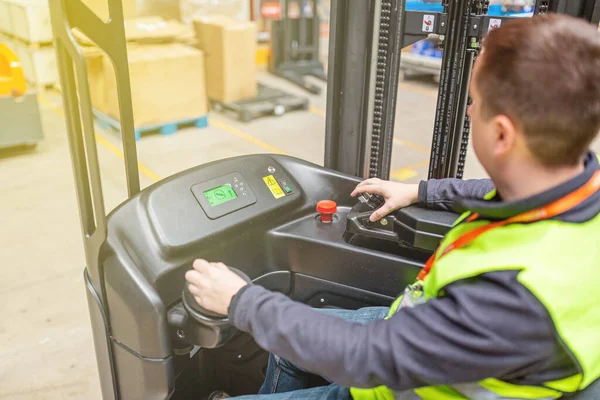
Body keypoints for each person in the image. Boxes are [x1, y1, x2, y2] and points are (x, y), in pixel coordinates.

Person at [185, 14, 600, 400]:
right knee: (289, 345)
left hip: (402, 385)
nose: (469, 111)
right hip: (429, 337)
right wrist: (420, 191)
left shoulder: (512, 296)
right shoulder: (573, 188)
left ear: (504, 135)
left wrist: (241, 301)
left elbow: (367, 358)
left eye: (474, 101)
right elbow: (493, 186)